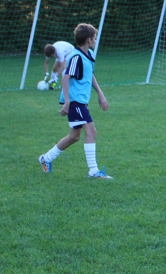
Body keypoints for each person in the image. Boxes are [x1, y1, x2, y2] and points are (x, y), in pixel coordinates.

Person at [37, 23, 112, 179]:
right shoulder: (76, 57)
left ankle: (46, 158)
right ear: (89, 39)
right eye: (94, 38)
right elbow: (65, 78)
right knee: (91, 131)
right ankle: (93, 171)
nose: (95, 40)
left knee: (74, 136)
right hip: (75, 101)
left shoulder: (89, 54)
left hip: (81, 101)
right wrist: (67, 102)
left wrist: (100, 94)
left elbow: (90, 75)